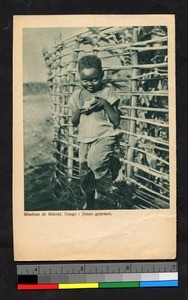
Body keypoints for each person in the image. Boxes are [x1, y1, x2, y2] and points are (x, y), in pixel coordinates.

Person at [68, 55, 120, 209]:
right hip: (85, 138)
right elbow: (74, 121)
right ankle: (89, 200)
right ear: (79, 77)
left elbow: (116, 120)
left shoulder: (107, 93)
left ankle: (112, 168)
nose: (89, 84)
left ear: (102, 75)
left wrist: (104, 104)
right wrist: (79, 110)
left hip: (104, 136)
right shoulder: (77, 96)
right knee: (85, 173)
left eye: (94, 79)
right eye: (85, 80)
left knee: (95, 162)